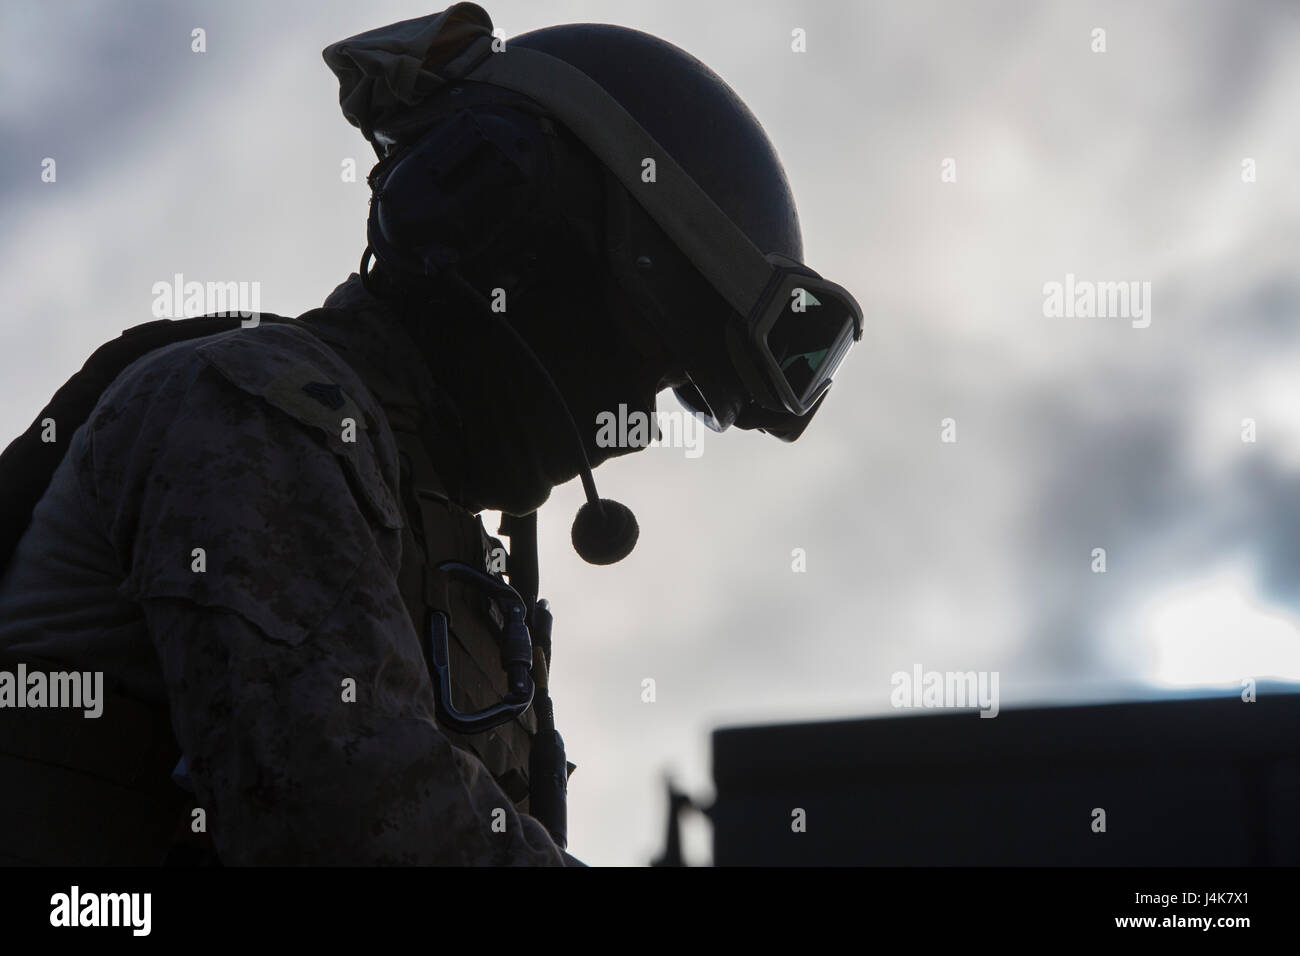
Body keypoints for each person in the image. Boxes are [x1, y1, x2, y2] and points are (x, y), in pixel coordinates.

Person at [0, 3, 861, 865]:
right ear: (501, 227)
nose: (631, 428)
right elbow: (347, 822)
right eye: (641, 361)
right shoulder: (253, 405)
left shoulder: (466, 570)